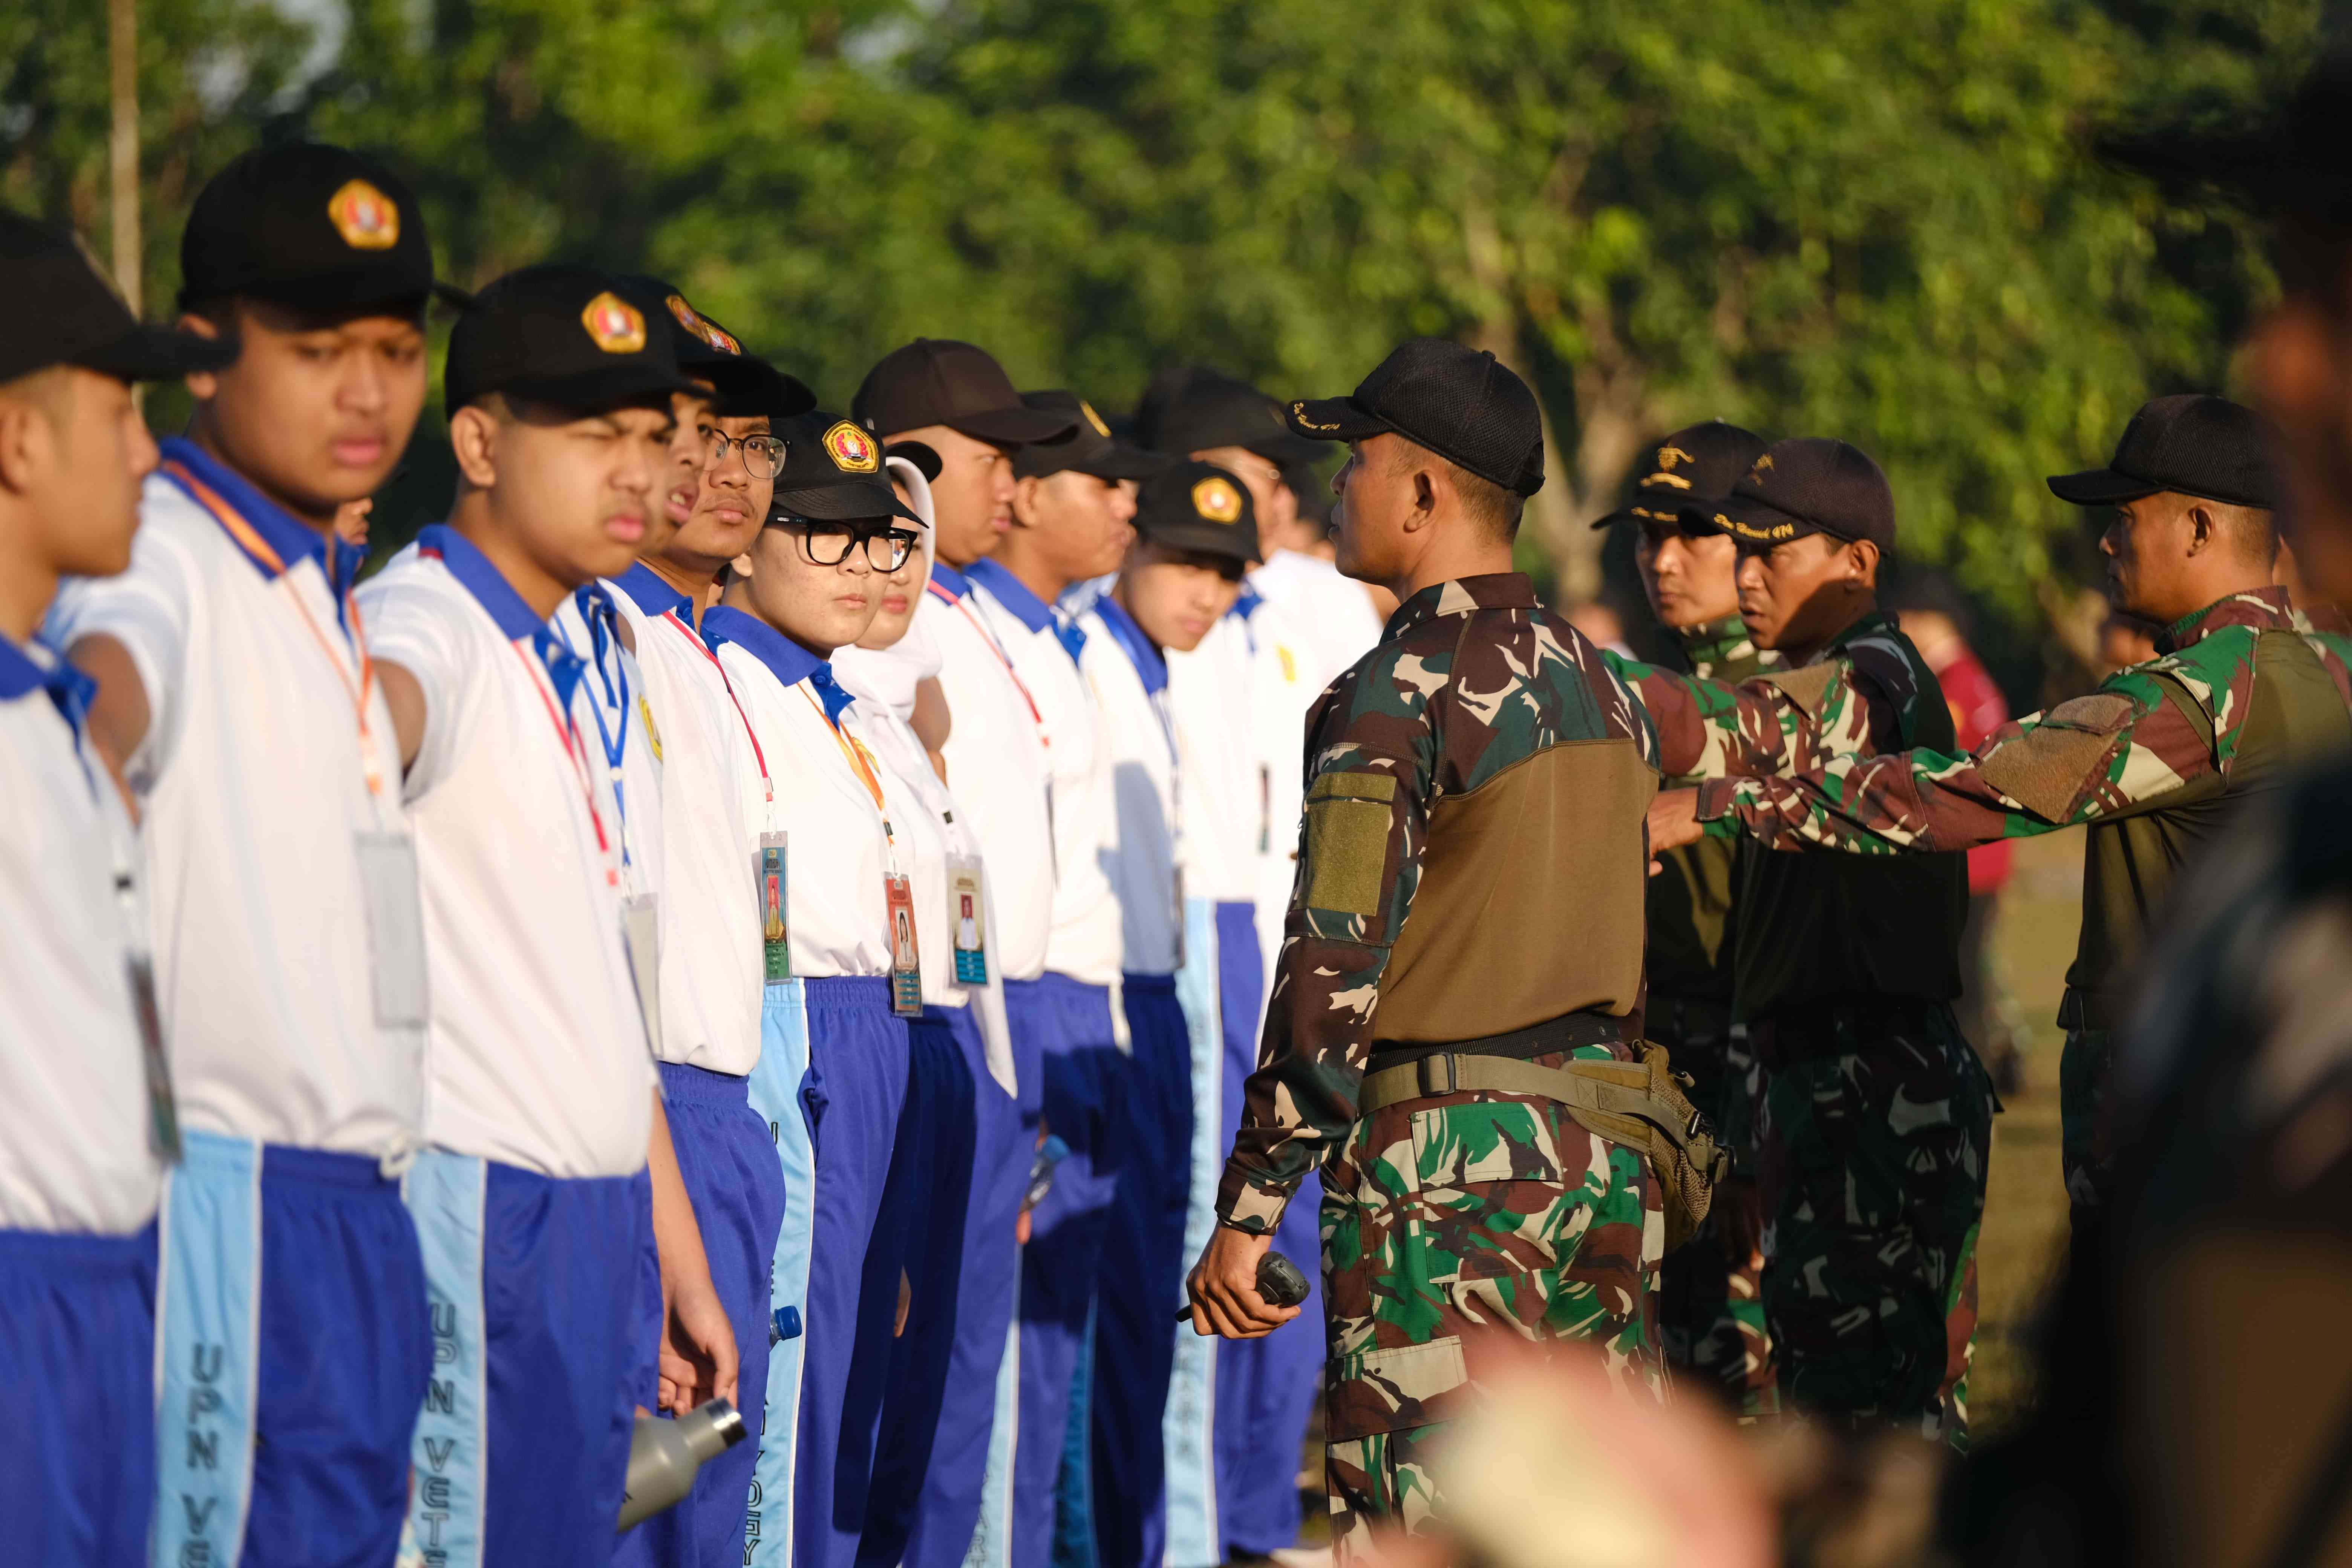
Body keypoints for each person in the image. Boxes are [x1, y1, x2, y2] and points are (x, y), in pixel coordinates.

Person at [1949, 51, 2352, 1565]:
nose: (2286, 367)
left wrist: (1716, 783)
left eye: (2327, 296)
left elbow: (1973, 796)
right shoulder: (2316, 729)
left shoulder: (2225, 678)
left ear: (2198, 525)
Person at [1185, 340, 1671, 1555]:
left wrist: (1251, 1209)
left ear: (1421, 493)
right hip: (1603, 1159)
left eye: (1356, 460)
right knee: (1588, 1526)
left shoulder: (1396, 690)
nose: (1337, 484)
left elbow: (1333, 968)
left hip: (1448, 1179)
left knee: (1432, 1521)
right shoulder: (1603, 687)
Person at [1650, 397, 2352, 1221]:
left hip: (2192, 1115)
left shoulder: (2200, 695)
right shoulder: (2329, 668)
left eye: (2125, 518)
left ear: (2198, 528)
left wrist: (1723, 804)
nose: (2106, 542)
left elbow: (1970, 790)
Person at [49, 142, 442, 1568]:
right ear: (205, 352)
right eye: (320, 346)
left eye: (398, 348)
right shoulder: (160, 547)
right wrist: (83, 739)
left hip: (359, 1205)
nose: (368, 391)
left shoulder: (308, 575)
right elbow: (111, 684)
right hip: (239, 1200)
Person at [358, 264, 734, 1566]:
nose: (635, 472)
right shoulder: (429, 624)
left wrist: (674, 1254)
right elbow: (373, 721)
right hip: (481, 1207)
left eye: (647, 437)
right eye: (589, 436)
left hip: (596, 1212)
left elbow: (595, 992)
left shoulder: (567, 646)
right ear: (476, 442)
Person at [1603, 439, 1990, 1446]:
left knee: (1873, 1438)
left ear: (1857, 563)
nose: (1746, 572)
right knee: (1825, 1407)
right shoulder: (1823, 679)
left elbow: (1754, 727)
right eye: (1746, 550)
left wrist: (1538, 676)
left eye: (1774, 552)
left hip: (1871, 1091)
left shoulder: (1872, 675)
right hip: (1810, 1085)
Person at [0, 210, 231, 1568]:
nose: (148, 449)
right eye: (119, 408)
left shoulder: (47, 715)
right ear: (19, 438)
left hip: (105, 1292)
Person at [851, 341, 1095, 1568]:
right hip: (909, 1016)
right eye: (993, 460)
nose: (1014, 486)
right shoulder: (881, 620)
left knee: (961, 1367)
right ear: (914, 462)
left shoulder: (972, 622)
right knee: (903, 1378)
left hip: (988, 1016)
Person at [594, 276, 816, 1568]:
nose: (726, 471)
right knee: (633, 1498)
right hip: (638, 1107)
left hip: (723, 1094)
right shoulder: (609, 631)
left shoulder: (692, 643)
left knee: (713, 1506)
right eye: (697, 433)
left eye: (749, 443)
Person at [699, 411, 926, 1568]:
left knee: (863, 1379)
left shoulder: (846, 701)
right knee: (799, 1373)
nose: (861, 567)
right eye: (827, 538)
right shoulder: (726, 682)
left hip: (884, 1029)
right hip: (798, 1031)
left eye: (880, 542)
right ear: (748, 541)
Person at [834, 453, 1024, 1568]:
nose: (888, 564)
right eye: (857, 537)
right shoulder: (817, 702)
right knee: (853, 1385)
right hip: (859, 1033)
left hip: (944, 1034)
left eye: (905, 535)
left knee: (935, 1373)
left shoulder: (896, 713)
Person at [1079, 461, 1260, 1567]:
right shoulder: (1086, 659)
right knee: (1085, 1343)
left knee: (1148, 1319)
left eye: (1230, 572)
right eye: (1188, 560)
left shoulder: (1154, 668)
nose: (1209, 590)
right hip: (1095, 1007)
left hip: (1162, 995)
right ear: (1132, 543)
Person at [1591, 420, 1781, 1422]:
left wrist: (1750, 1140)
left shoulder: (1791, 701)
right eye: (1646, 536)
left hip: (1742, 1070)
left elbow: (1779, 937)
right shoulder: (1644, 691)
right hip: (1649, 1064)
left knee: (1744, 1382)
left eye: (1692, 535)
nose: (1662, 560)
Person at [1893, 581, 2027, 1097]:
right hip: (1982, 861)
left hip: (1968, 864)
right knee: (1974, 975)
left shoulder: (1951, 687)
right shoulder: (1971, 678)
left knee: (1962, 982)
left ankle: (1970, 1079)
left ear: (1933, 621)